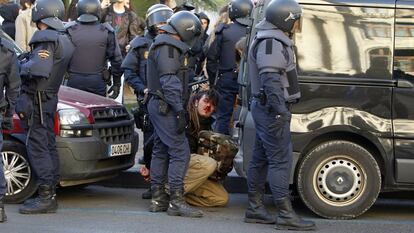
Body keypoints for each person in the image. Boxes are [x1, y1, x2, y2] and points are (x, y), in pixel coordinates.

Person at [245, 0, 315, 230]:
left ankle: (255, 208)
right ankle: (285, 214)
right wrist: (280, 112)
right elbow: (271, 80)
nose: (297, 24)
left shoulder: (270, 38)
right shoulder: (271, 42)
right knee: (279, 160)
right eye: (295, 19)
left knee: (261, 158)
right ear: (285, 19)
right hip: (271, 109)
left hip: (265, 108)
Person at [17, 0, 74, 214]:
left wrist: (20, 65)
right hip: (49, 98)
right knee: (48, 144)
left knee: (38, 146)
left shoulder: (46, 38)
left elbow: (39, 69)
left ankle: (45, 196)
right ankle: (49, 193)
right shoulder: (64, 38)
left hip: (37, 100)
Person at [146, 11, 203, 218]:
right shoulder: (168, 47)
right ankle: (176, 202)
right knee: (180, 152)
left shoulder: (165, 44)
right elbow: (169, 81)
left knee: (161, 149)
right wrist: (179, 110)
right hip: (166, 106)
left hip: (161, 104)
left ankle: (158, 199)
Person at [121, 3, 173, 199]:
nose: (162, 24)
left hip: (170, 101)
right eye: (158, 20)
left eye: (165, 20)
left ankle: (166, 184)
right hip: (148, 102)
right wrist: (142, 88)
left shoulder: (172, 43)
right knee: (151, 143)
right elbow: (128, 70)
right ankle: (154, 185)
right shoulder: (140, 43)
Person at [205, 0, 252, 135]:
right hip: (249, 81)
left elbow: (212, 59)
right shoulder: (255, 31)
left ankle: (221, 148)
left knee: (223, 117)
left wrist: (214, 82)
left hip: (226, 79)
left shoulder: (224, 31)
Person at [65, 0, 123, 98]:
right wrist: (117, 83)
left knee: (74, 111)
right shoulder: (106, 31)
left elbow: (60, 57)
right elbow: (116, 60)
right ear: (98, 10)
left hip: (74, 80)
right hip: (97, 81)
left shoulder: (69, 30)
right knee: (96, 110)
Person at [183, 89, 231, 207]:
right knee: (209, 163)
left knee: (221, 198)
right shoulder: (183, 116)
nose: (209, 106)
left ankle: (180, 196)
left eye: (213, 104)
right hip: (176, 165)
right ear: (196, 101)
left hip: (192, 170)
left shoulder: (208, 125)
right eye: (206, 101)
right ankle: (172, 192)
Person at [0, 35, 21, 223]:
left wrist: (8, 115)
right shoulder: (7, 51)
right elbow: (14, 87)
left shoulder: (6, 51)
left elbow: (14, 87)